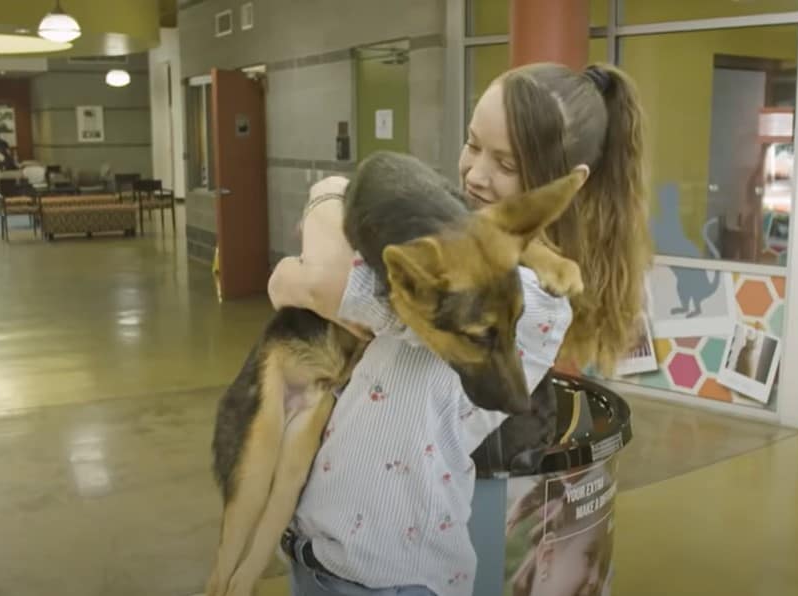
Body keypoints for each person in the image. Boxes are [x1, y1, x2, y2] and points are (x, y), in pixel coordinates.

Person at [267, 61, 650, 596]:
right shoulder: (454, 243)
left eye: (505, 163)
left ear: (564, 184)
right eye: (473, 145)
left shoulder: (530, 295)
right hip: (319, 551)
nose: (473, 173)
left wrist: (326, 199)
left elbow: (318, 279)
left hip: (389, 578)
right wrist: (327, 197)